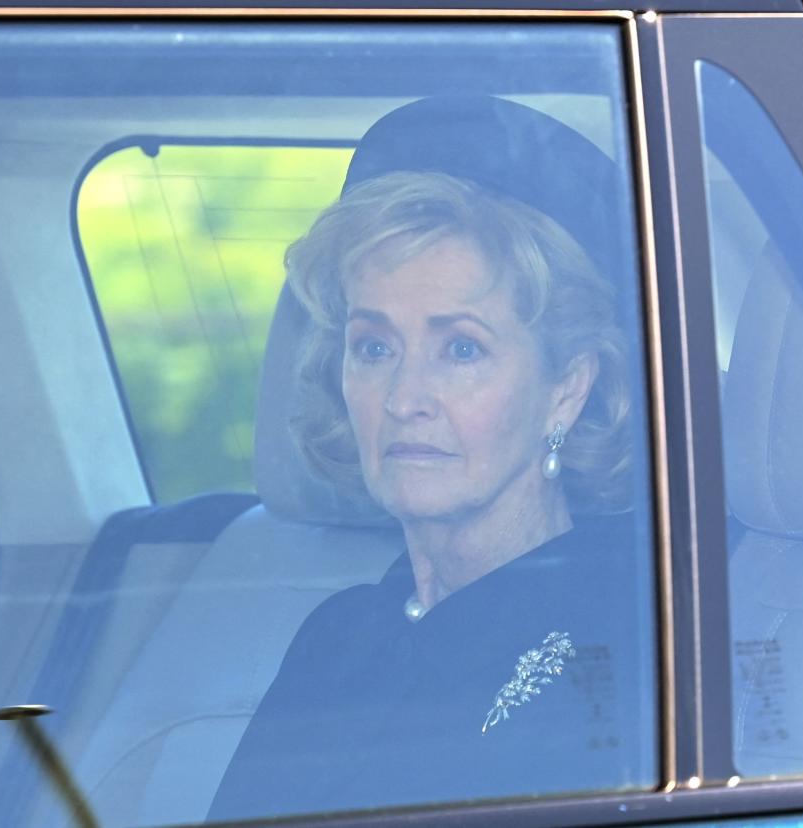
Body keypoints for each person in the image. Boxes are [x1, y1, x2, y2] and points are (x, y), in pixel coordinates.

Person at [207, 96, 649, 821]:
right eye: (375, 347)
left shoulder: (635, 638)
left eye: (462, 348)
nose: (405, 395)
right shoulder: (340, 635)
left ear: (565, 388)